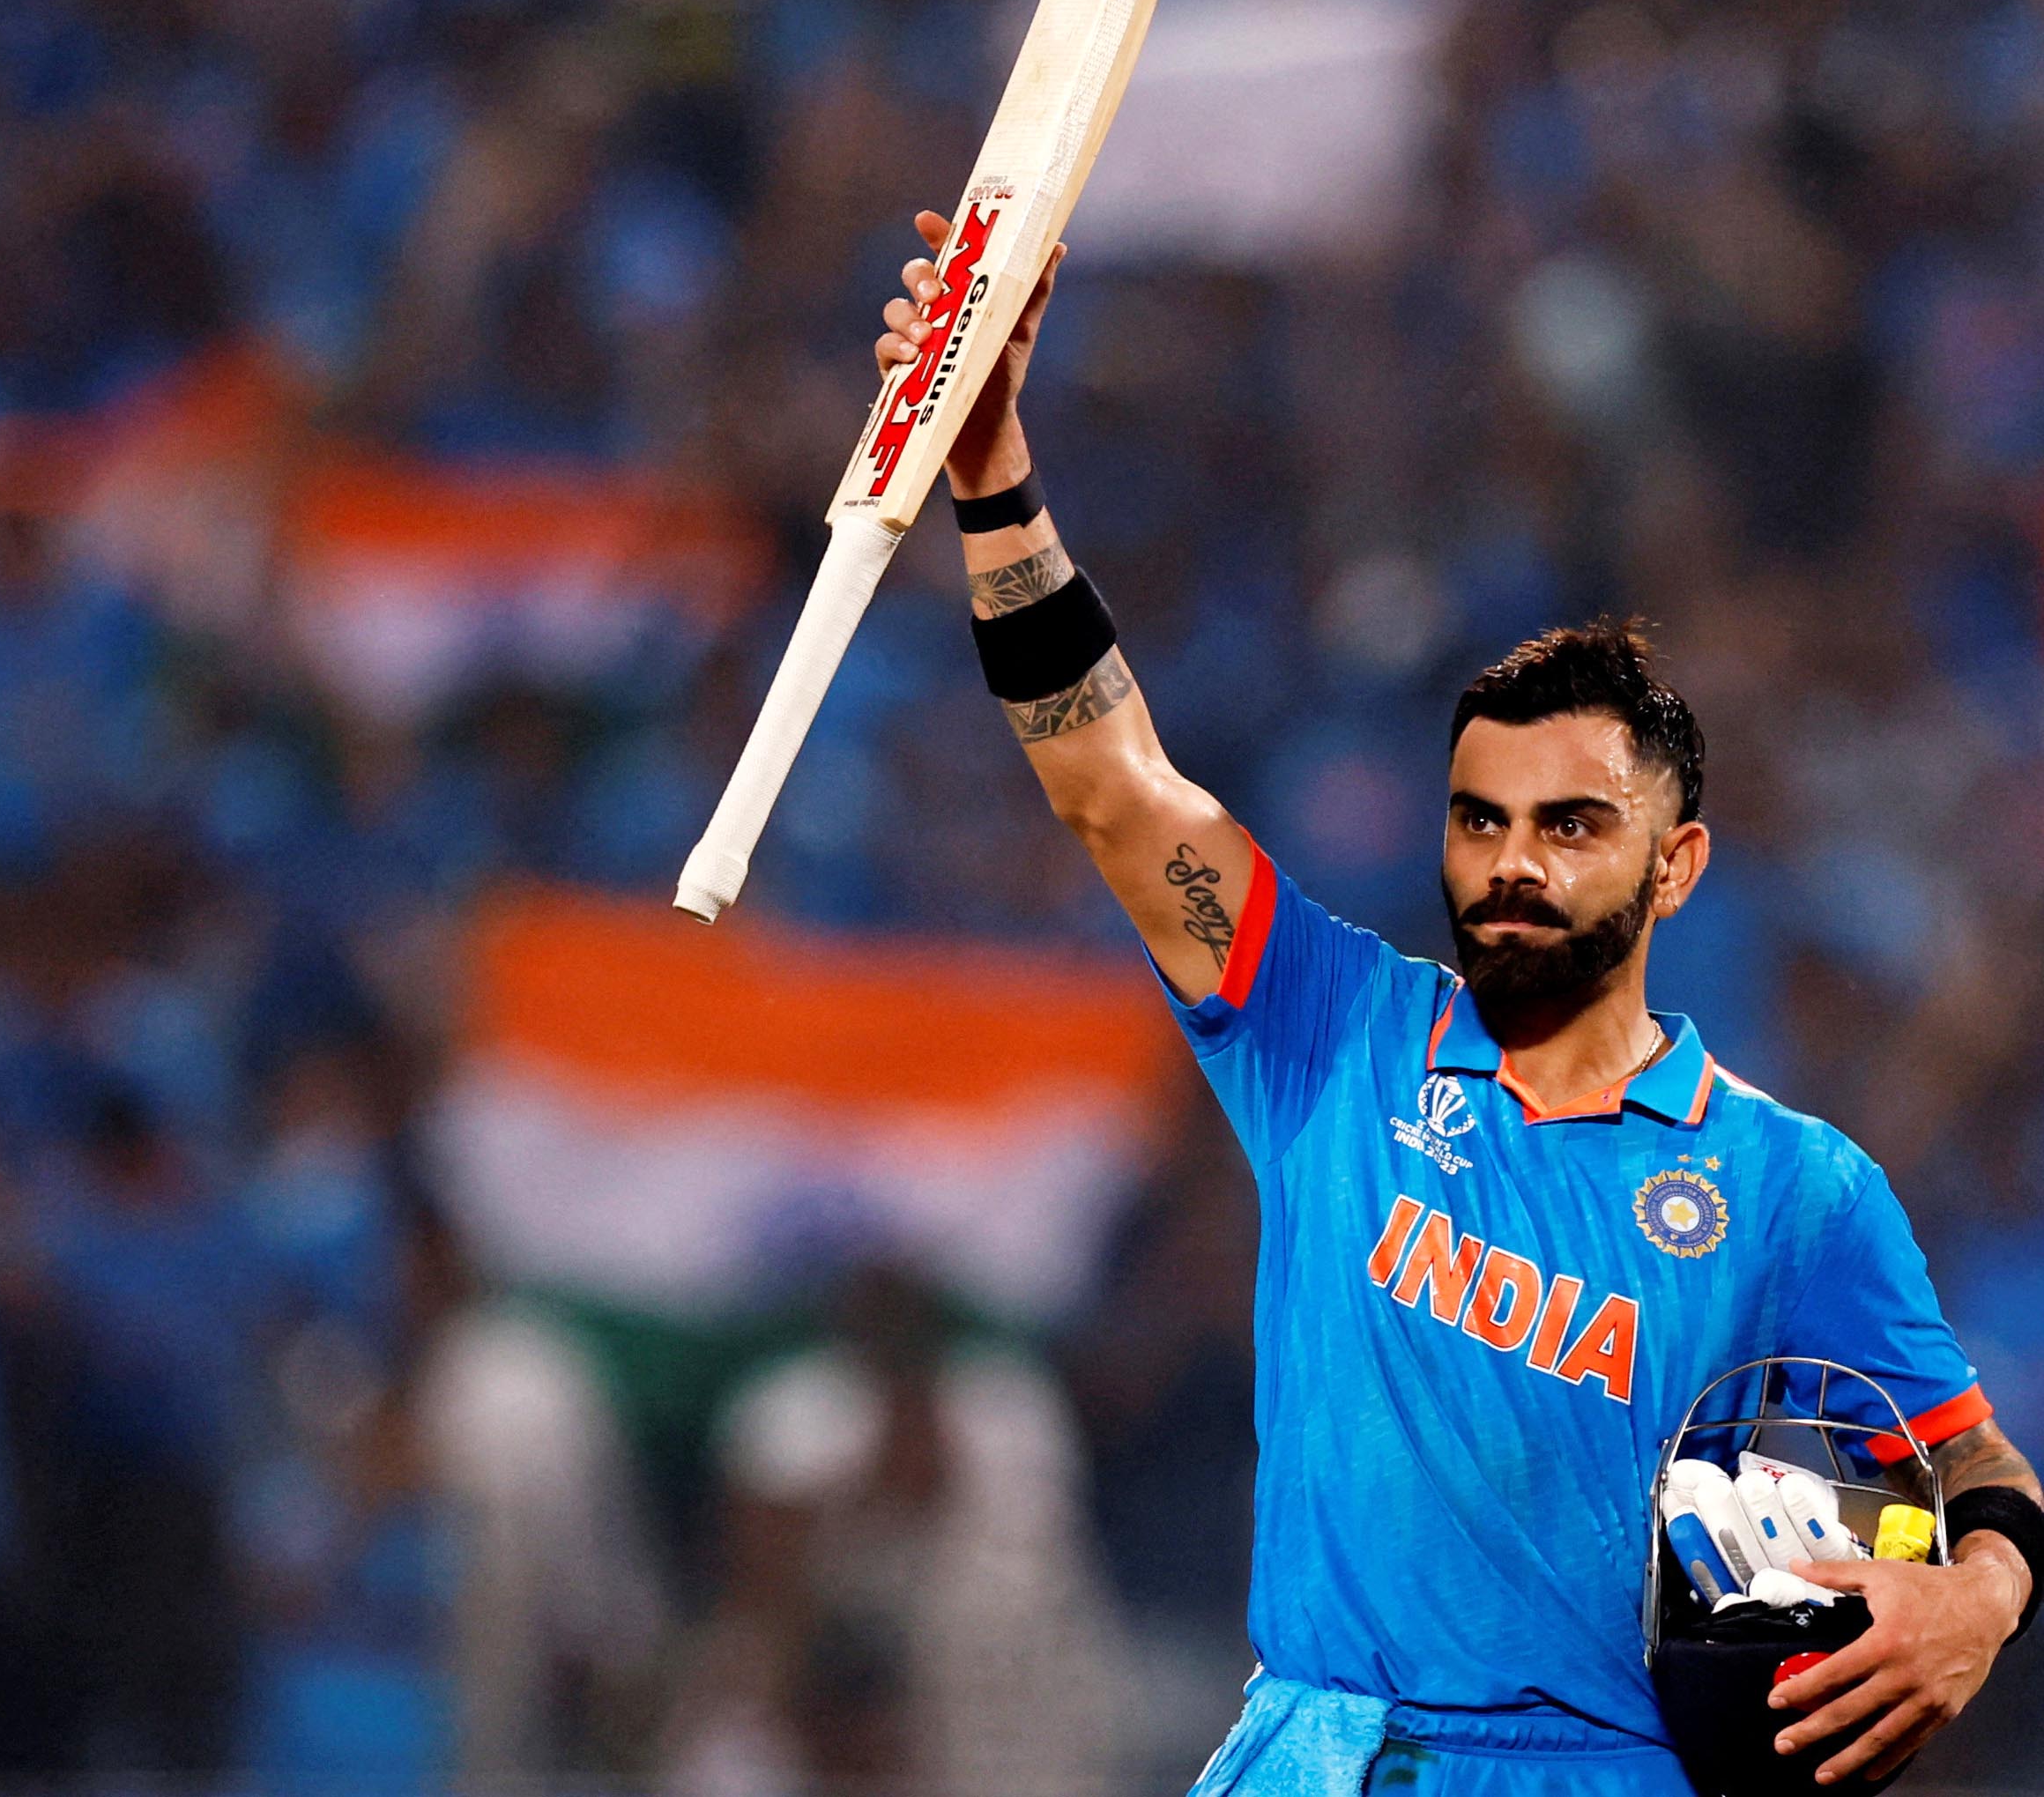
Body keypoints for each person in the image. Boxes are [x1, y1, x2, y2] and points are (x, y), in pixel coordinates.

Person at [872, 212, 2043, 1793]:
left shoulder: (1793, 1188)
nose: (1511, 863)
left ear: (1676, 865)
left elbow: (1968, 1452)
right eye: (1480, 818)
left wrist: (1979, 1595)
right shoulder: (1332, 1027)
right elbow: (1111, 783)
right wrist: (993, 469)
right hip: (1300, 1746)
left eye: (1570, 826)